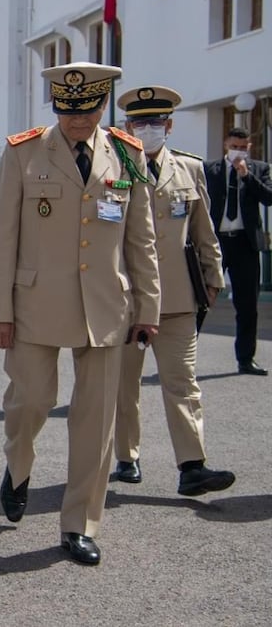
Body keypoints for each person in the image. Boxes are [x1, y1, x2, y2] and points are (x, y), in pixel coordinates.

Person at [0, 62, 160, 566]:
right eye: (67, 110)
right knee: (31, 401)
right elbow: (2, 240)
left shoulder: (127, 156)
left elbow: (141, 239)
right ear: (56, 106)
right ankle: (18, 466)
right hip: (35, 303)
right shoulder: (23, 152)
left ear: (102, 105)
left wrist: (148, 306)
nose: (77, 120)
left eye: (86, 111)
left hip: (107, 306)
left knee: (95, 421)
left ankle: (79, 522)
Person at [112, 86, 235, 496]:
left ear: (169, 124)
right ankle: (127, 456)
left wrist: (213, 276)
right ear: (127, 125)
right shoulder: (110, 167)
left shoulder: (189, 169)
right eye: (139, 122)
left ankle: (192, 466)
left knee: (183, 383)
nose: (148, 129)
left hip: (178, 296)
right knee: (123, 384)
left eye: (155, 122)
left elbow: (204, 230)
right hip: (126, 298)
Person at [204, 126, 272, 375]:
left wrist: (246, 177)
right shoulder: (209, 169)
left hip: (245, 243)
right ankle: (183, 356)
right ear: (225, 144)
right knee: (201, 299)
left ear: (249, 147)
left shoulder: (260, 169)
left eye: (243, 148)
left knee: (247, 305)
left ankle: (246, 359)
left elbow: (269, 197)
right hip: (215, 242)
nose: (238, 152)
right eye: (234, 147)